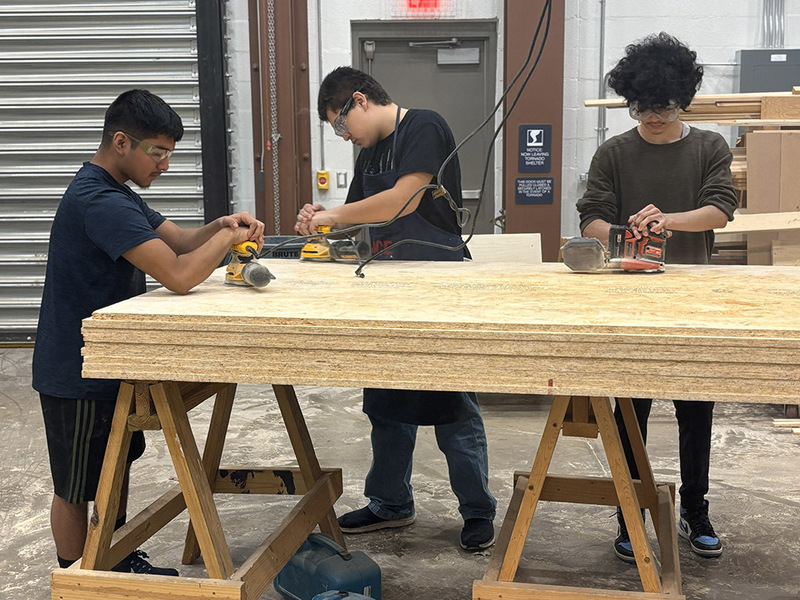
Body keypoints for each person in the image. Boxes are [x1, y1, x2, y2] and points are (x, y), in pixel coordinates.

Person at [32, 89, 265, 574]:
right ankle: (79, 577)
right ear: (121, 142)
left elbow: (178, 240)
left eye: (169, 154)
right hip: (76, 368)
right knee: (75, 487)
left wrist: (220, 225)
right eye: (157, 152)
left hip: (108, 359)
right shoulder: (97, 199)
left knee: (110, 472)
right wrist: (228, 240)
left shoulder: (118, 193)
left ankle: (110, 562)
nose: (163, 164)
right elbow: (179, 276)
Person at [295, 66, 497, 550]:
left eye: (341, 126)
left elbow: (402, 202)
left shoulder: (424, 125)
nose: (345, 138)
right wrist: (318, 221)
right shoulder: (368, 156)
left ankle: (477, 510)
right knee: (386, 404)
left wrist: (335, 215)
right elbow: (351, 220)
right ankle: (390, 502)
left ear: (359, 101)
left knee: (451, 407)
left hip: (438, 283)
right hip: (386, 287)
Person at [576, 33, 737, 562]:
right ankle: (629, 511)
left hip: (693, 300)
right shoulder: (615, 152)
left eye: (663, 106)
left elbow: (719, 210)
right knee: (631, 411)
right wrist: (626, 238)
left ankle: (696, 508)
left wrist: (666, 222)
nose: (652, 117)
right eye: (642, 107)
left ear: (683, 97)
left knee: (696, 409)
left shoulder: (709, 147)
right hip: (631, 298)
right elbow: (591, 217)